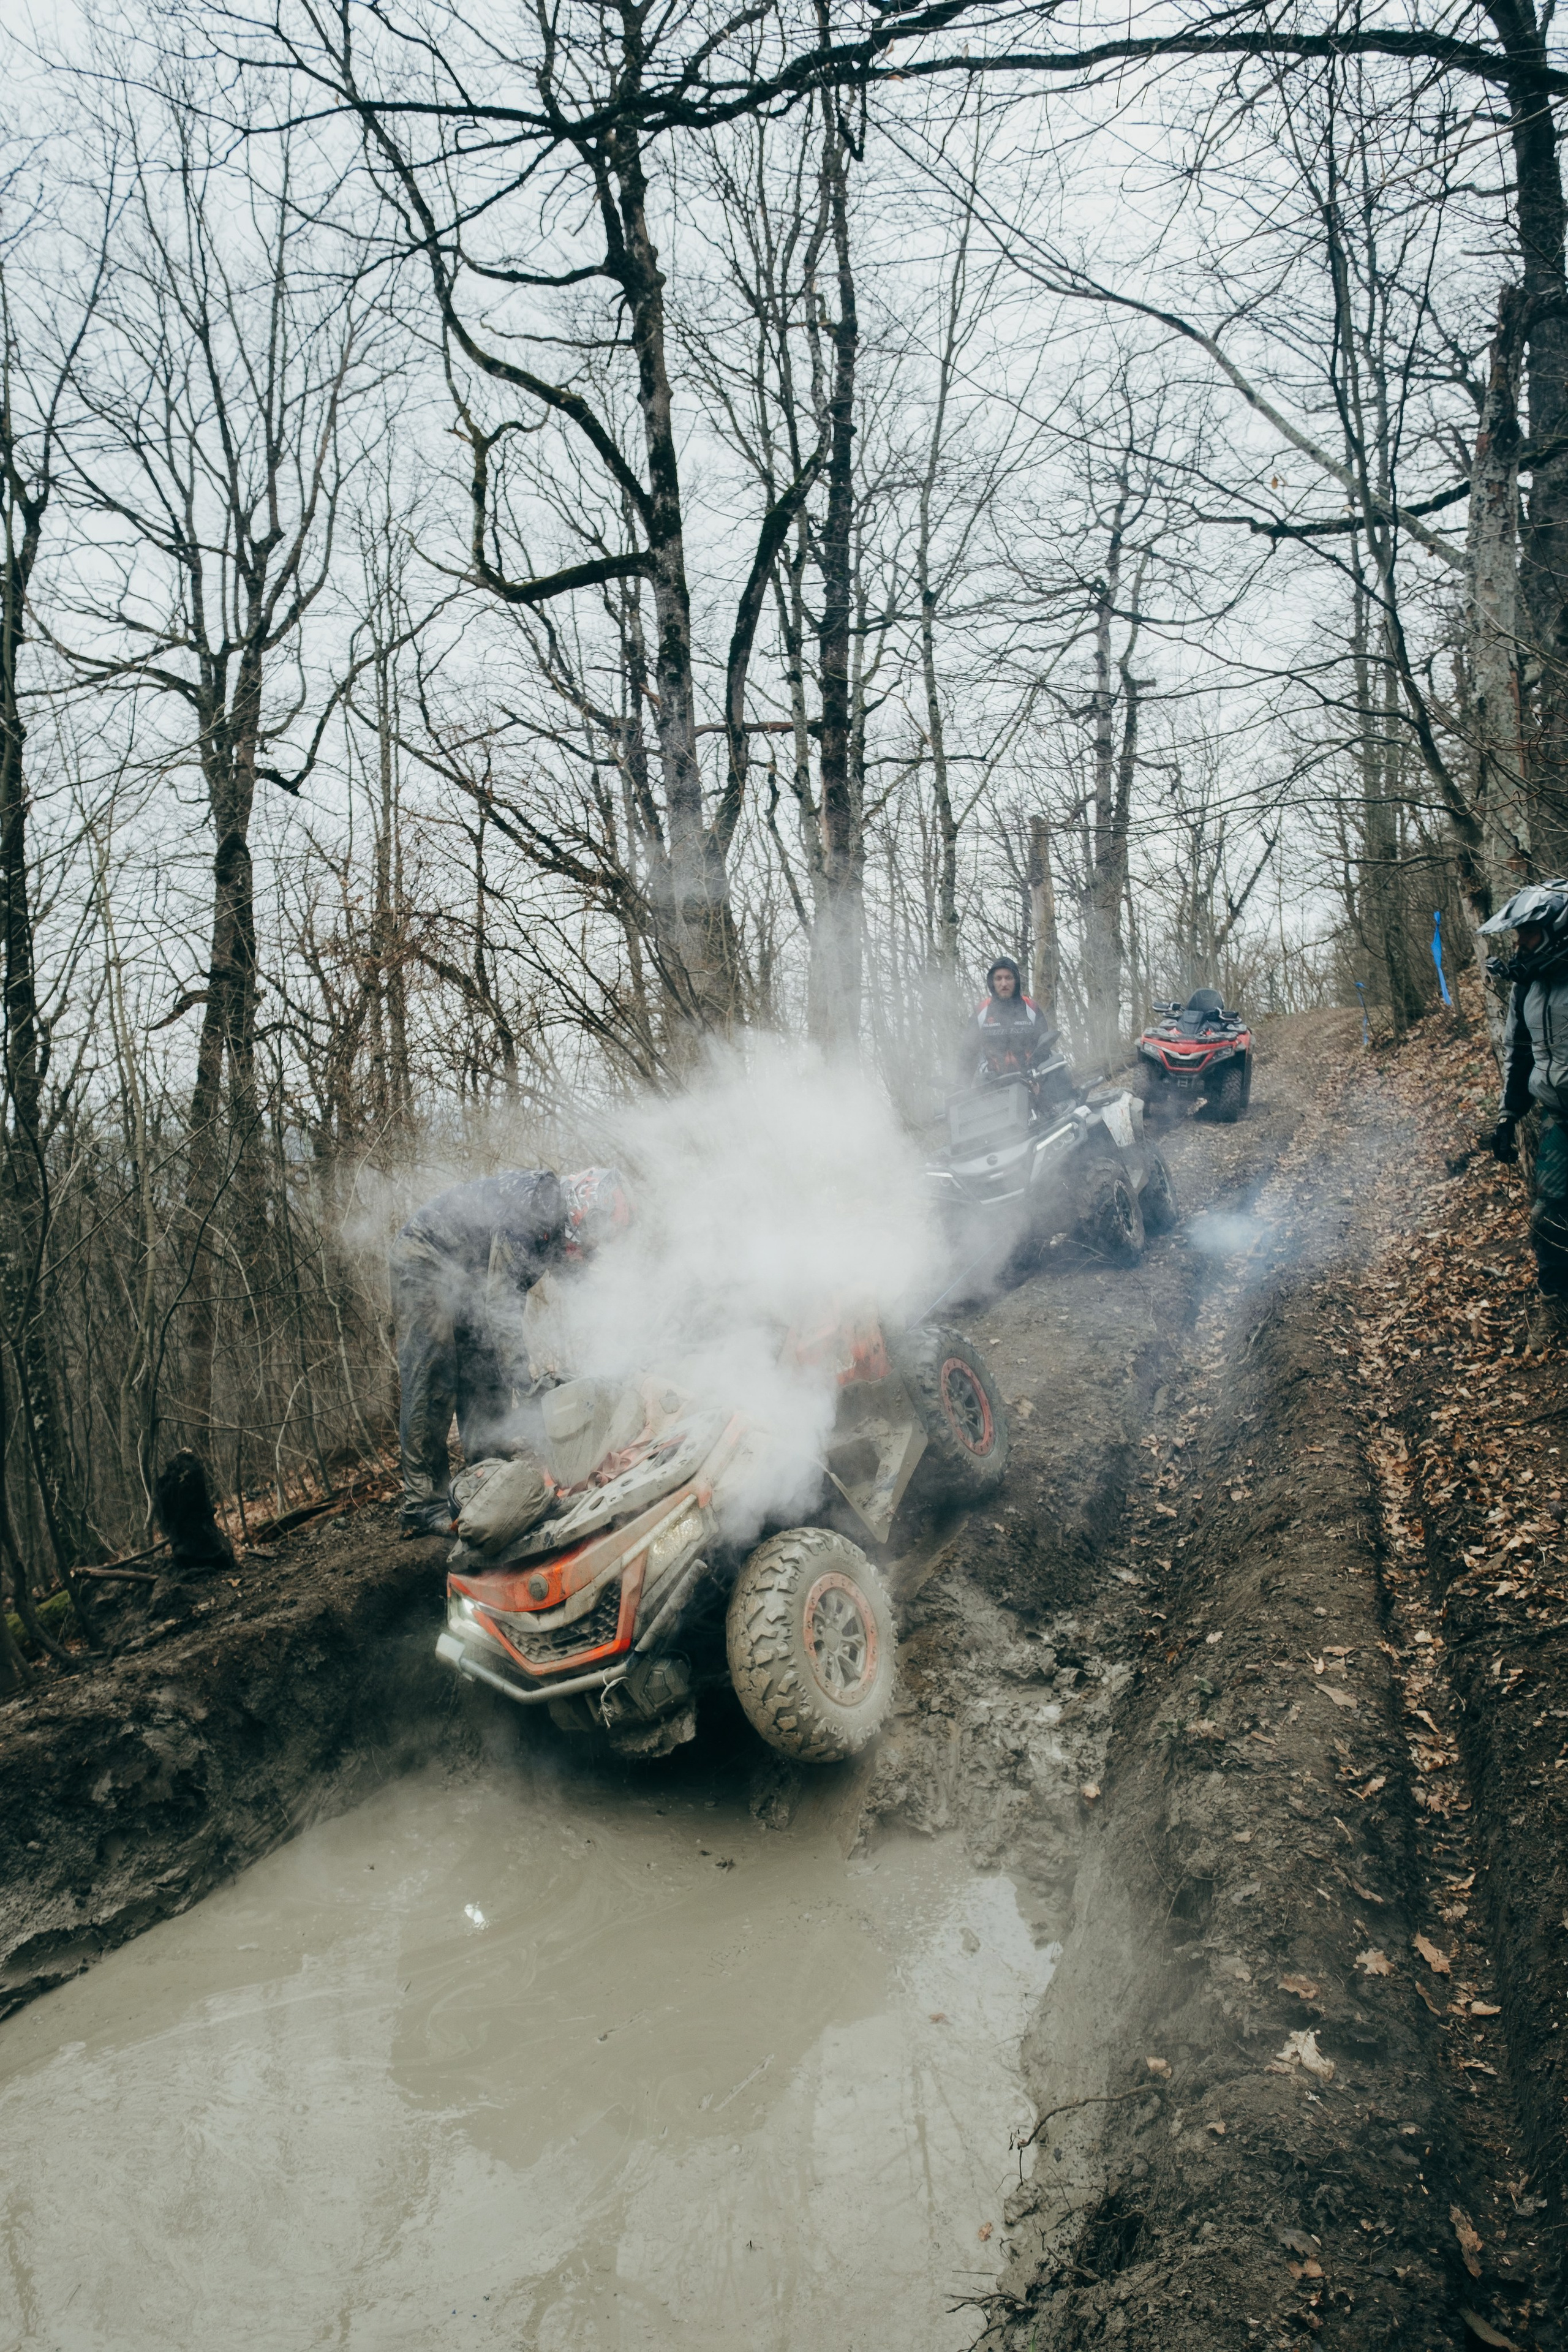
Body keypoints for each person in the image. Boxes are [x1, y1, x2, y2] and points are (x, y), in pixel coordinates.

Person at [390, 1164, 631, 1534]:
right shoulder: (535, 1208)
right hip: (426, 1257)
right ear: (584, 1210)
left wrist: (623, 1354)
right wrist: (526, 1380)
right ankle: (423, 1505)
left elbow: (588, 1296)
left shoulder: (566, 1232)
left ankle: (488, 1478)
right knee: (433, 1376)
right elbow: (502, 1300)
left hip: (471, 1272)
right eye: (598, 1234)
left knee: (485, 1372)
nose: (595, 1247)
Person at [1483, 880, 1568, 1349]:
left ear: (1555, 929)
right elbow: (1521, 1054)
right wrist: (1508, 1116)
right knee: (1547, 1218)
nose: (1519, 945)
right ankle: (1557, 1306)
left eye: (1529, 935)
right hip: (1560, 1116)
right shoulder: (1528, 987)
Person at [960, 956, 1057, 1087]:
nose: (1004, 983)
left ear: (1016, 980)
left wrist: (1041, 1080)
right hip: (991, 1087)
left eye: (1009, 978)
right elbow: (968, 1054)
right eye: (999, 978)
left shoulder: (1032, 1008)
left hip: (1031, 1084)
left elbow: (1044, 1049)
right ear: (992, 982)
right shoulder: (981, 1012)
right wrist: (960, 1089)